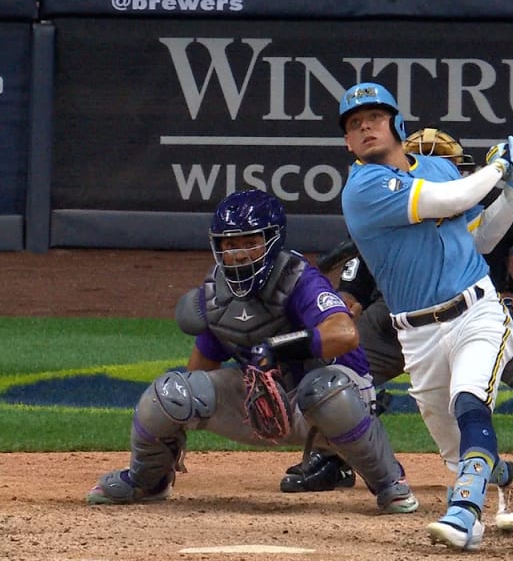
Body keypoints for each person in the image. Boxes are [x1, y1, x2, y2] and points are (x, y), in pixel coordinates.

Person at [281, 127, 513, 496]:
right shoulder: (384, 208)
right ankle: (331, 457)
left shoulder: (492, 202)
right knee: (335, 370)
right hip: (397, 319)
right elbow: (350, 293)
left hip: (481, 309)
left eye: (448, 167)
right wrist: (338, 313)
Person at [85, 189, 418, 516]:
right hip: (261, 407)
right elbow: (197, 373)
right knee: (170, 393)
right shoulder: (217, 293)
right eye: (230, 245)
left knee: (324, 391)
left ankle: (388, 483)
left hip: (327, 408)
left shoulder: (298, 278)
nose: (239, 254)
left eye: (250, 243)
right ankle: (147, 480)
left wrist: (277, 346)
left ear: (272, 241)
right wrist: (177, 414)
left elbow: (344, 334)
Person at [336, 81, 513, 551]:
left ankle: (465, 513)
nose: (365, 127)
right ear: (347, 142)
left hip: (477, 311)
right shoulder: (362, 189)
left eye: (374, 117)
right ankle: (511, 481)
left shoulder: (439, 168)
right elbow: (450, 202)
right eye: (353, 124)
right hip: (417, 336)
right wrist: (501, 167)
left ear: (396, 124)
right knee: (459, 451)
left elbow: (481, 238)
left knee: (470, 401)